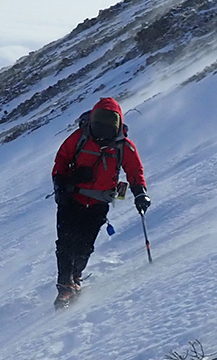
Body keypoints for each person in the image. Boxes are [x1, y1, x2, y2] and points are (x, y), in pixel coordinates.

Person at [50, 97, 151, 306]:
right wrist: (60, 184)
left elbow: (134, 170)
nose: (102, 135)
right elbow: (61, 159)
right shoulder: (80, 137)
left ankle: (75, 277)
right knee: (66, 243)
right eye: (98, 129)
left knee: (85, 245)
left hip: (98, 203)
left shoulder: (124, 146)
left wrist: (140, 192)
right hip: (71, 198)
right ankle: (65, 287)